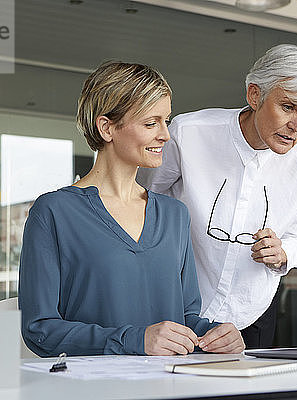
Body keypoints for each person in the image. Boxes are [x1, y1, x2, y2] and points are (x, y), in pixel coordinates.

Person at [18, 61, 244, 357]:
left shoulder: (174, 215)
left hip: (171, 386)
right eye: (151, 123)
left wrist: (215, 334)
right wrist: (135, 340)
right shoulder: (54, 212)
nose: (166, 135)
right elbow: (40, 329)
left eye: (166, 121)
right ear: (107, 127)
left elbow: (187, 318)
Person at [138, 44, 297, 349]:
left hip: (252, 314)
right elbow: (145, 204)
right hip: (177, 311)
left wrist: (282, 253)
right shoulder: (188, 132)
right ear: (255, 95)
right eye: (288, 107)